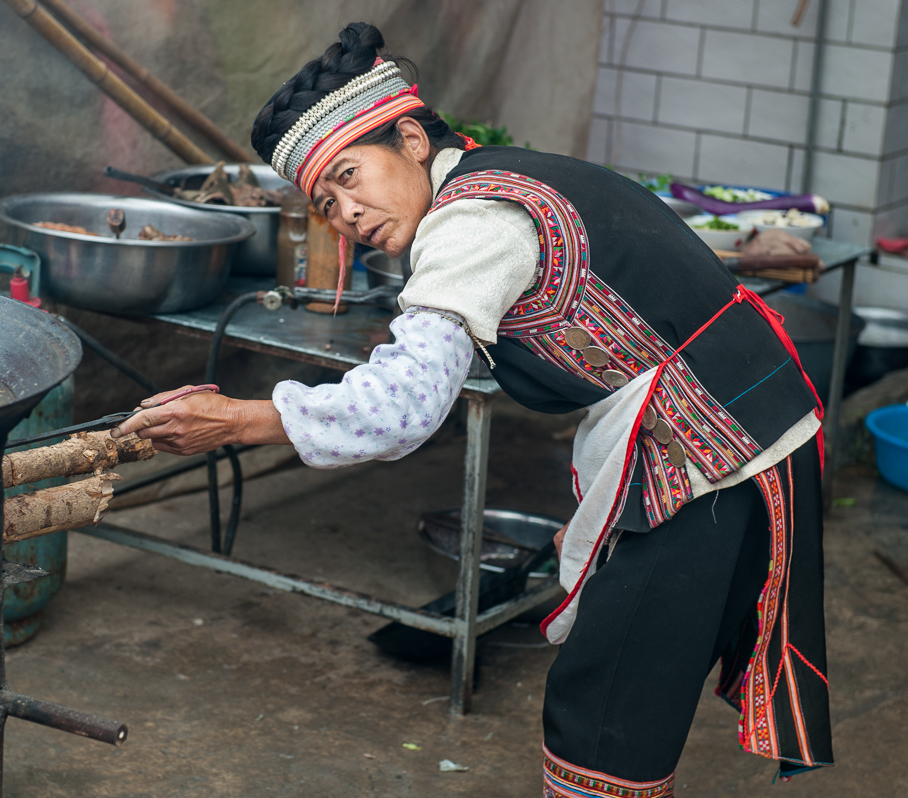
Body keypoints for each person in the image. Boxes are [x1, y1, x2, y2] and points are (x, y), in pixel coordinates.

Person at [111, 22, 832, 795]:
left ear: (413, 140)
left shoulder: (474, 223)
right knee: (619, 690)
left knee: (609, 711)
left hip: (713, 455)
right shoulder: (494, 181)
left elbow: (403, 406)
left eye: (352, 176)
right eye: (325, 202)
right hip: (738, 424)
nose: (346, 212)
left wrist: (238, 421)